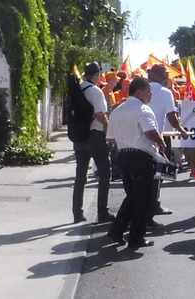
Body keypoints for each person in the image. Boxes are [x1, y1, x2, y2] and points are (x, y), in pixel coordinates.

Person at [106, 77, 164, 248]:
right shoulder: (143, 109)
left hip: (123, 156)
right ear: (138, 91)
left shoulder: (117, 110)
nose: (150, 94)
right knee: (142, 200)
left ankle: (117, 231)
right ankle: (135, 238)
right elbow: (150, 132)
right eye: (148, 91)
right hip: (141, 158)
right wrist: (161, 143)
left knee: (133, 197)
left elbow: (110, 137)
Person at [73, 62, 115, 224]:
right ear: (97, 75)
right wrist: (109, 130)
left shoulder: (78, 88)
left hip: (79, 136)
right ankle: (102, 213)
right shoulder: (95, 91)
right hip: (95, 136)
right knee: (105, 174)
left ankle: (77, 213)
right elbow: (100, 115)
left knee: (80, 176)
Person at [147, 65, 188, 224]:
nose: (166, 77)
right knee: (158, 175)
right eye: (164, 74)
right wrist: (182, 130)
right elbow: (172, 117)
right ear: (157, 75)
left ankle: (154, 205)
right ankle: (151, 209)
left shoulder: (142, 88)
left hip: (145, 137)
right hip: (160, 139)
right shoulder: (166, 92)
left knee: (153, 175)